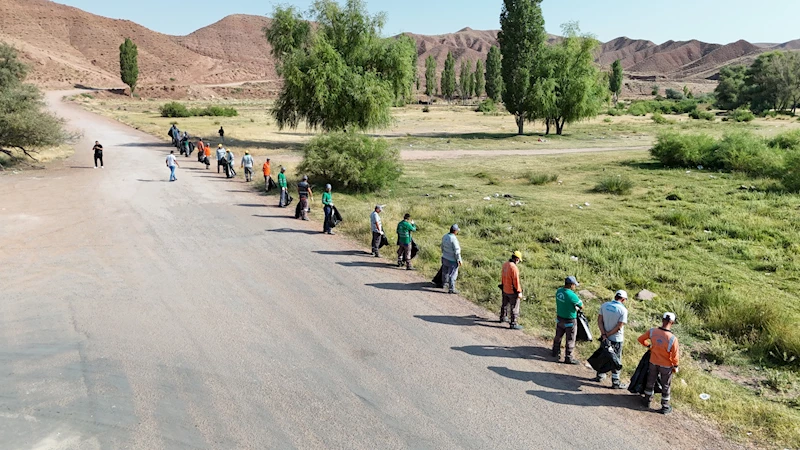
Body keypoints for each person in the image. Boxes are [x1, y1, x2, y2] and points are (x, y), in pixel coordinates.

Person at [638, 312, 680, 415]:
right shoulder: (673, 339)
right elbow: (675, 356)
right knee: (666, 385)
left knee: (650, 380)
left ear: (662, 320)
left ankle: (647, 400)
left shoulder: (653, 331)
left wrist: (649, 346)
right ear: (672, 323)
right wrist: (675, 366)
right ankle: (665, 406)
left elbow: (641, 339)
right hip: (666, 365)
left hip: (653, 361)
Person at [595, 290, 629, 389]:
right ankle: (615, 381)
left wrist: (604, 334)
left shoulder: (605, 305)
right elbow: (619, 326)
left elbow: (599, 321)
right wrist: (609, 334)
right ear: (623, 299)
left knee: (603, 356)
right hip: (616, 339)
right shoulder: (623, 310)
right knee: (616, 359)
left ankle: (600, 375)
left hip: (604, 337)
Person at [552, 276, 584, 365]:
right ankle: (568, 357)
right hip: (570, 320)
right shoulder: (572, 295)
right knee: (570, 339)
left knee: (558, 335)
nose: (575, 287)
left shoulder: (559, 291)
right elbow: (581, 306)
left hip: (559, 318)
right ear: (571, 285)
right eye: (574, 285)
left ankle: (555, 351)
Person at [500, 251, 524, 330]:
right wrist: (519, 291)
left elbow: (502, 276)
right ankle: (513, 323)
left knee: (504, 304)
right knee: (515, 307)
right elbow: (516, 281)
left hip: (505, 288)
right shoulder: (514, 268)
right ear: (516, 259)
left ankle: (503, 317)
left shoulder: (505, 264)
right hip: (512, 291)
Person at [440, 224, 463, 294]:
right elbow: (457, 251)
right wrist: (459, 260)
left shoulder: (445, 236)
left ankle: (444, 284)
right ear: (455, 231)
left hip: (444, 257)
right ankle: (451, 289)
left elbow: (442, 246)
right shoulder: (454, 239)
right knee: (452, 274)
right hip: (452, 260)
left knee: (445, 272)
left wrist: (444, 253)